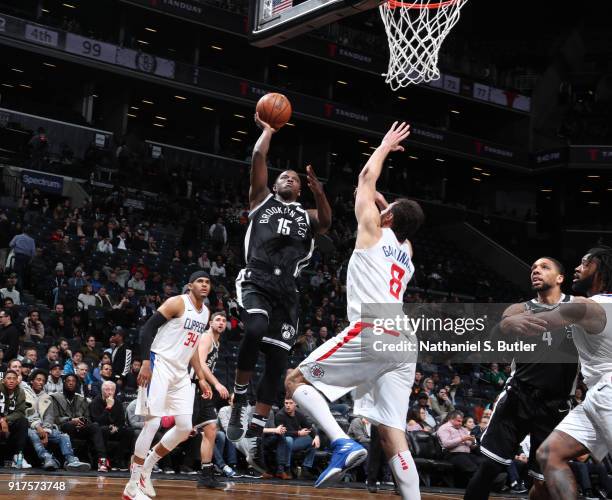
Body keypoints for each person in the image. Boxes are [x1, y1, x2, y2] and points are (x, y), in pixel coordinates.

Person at [285, 122, 424, 499]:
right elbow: (402, 225)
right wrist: (388, 206)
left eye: (386, 209)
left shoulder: (373, 231)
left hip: (374, 329)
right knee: (391, 432)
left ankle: (342, 443)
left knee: (295, 381)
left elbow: (365, 177)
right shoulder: (407, 253)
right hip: (405, 344)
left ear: (388, 218)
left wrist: (383, 145)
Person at [227, 112, 331, 473]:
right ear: (274, 185)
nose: (287, 178)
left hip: (287, 290)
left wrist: (319, 191)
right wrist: (268, 132)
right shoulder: (261, 200)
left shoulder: (307, 214)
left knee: (277, 363)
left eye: (293, 178)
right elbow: (258, 160)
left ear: (300, 189)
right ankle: (241, 396)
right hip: (256, 278)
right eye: (282, 176)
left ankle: (255, 426)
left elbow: (328, 223)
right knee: (254, 330)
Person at [464, 257, 580, 500]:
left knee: (543, 482)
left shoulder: (578, 307)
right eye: (533, 268)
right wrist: (503, 328)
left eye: (544, 267)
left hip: (556, 404)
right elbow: (493, 347)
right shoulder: (518, 310)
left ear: (560, 278)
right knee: (490, 467)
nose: (536, 270)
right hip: (518, 395)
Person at [122, 272, 213, 500]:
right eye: (200, 281)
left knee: (184, 427)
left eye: (208, 282)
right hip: (159, 363)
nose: (204, 285)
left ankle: (147, 468)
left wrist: (201, 377)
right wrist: (145, 362)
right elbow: (147, 329)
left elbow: (191, 348)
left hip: (181, 371)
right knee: (151, 424)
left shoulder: (206, 314)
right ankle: (132, 487)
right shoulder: (177, 303)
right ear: (190, 285)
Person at [535, 247, 612, 499]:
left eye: (584, 263)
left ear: (599, 269)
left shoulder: (591, 305)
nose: (577, 269)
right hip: (597, 395)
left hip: (609, 393)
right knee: (550, 453)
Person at [192, 311, 231, 488]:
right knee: (183, 431)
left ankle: (206, 475)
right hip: (193, 385)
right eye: (218, 320)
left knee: (211, 428)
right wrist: (216, 384)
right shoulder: (206, 337)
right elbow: (199, 363)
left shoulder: (217, 341)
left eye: (224, 320)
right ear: (210, 323)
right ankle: (146, 463)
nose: (221, 322)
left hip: (203, 388)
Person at [25, 369, 91, 471]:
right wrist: (37, 427)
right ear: (32, 381)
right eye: (38, 380)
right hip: (28, 427)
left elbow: (49, 416)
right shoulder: (24, 394)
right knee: (33, 434)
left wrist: (46, 430)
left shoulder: (47, 397)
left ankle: (71, 460)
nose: (41, 382)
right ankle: (47, 458)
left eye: (43, 380)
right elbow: (26, 414)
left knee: (63, 436)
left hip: (44, 429)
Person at [43, 374, 108, 471]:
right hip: (63, 427)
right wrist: (70, 420)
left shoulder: (82, 399)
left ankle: (101, 461)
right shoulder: (55, 398)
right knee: (69, 426)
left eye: (73, 381)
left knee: (95, 426)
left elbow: (88, 417)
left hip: (80, 428)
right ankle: (70, 460)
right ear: (64, 383)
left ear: (76, 384)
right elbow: (54, 418)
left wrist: (83, 421)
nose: (71, 383)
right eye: (68, 381)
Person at [437, 410, 480, 485]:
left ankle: (495, 481)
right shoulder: (444, 428)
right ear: (451, 419)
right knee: (472, 467)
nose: (460, 423)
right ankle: (485, 485)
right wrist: (462, 439)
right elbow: (446, 444)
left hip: (466, 454)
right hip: (452, 454)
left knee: (482, 463)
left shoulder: (462, 429)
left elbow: (470, 445)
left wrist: (473, 441)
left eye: (461, 421)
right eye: (458, 421)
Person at [0, 370, 29, 468]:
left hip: (9, 422)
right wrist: (1, 420)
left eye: (14, 379)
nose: (11, 381)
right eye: (8, 378)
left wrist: (5, 420)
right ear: (3, 380)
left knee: (23, 421)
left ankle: (18, 455)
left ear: (17, 381)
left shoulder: (20, 392)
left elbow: (20, 412)